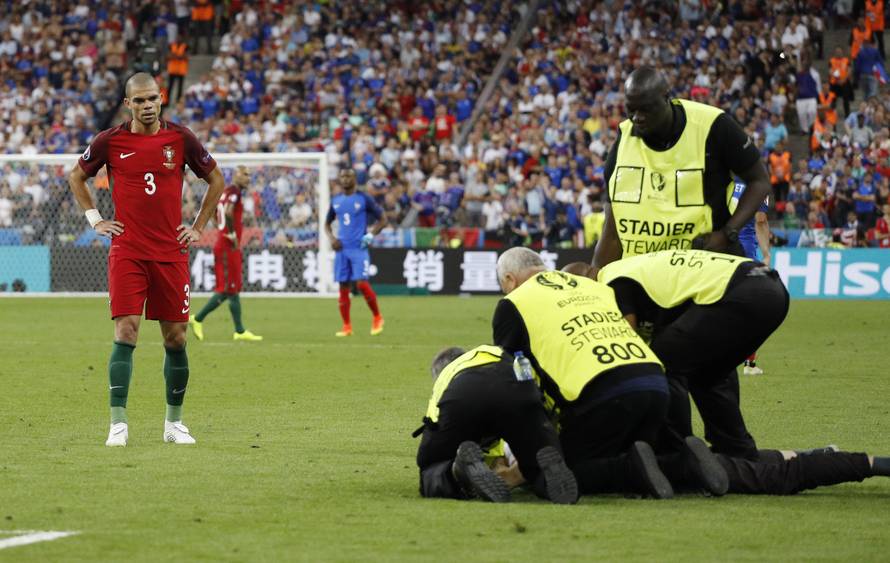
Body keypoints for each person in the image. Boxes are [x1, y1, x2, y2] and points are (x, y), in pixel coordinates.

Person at [492, 247, 728, 498]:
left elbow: (516, 382)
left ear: (509, 279)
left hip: (602, 394)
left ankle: (631, 469)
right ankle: (685, 465)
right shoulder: (591, 286)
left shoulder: (513, 304)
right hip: (655, 384)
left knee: (553, 474)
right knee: (624, 452)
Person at [67, 72, 225, 447]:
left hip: (171, 253)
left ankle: (174, 424)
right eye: (139, 100)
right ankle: (118, 423)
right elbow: (76, 176)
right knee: (126, 331)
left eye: (153, 98)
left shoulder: (181, 138)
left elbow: (216, 179)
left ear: (161, 98)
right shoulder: (110, 141)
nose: (148, 105)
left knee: (176, 337)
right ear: (128, 104)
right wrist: (96, 220)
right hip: (128, 251)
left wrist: (199, 225)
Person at [575, 249, 788, 461]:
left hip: (740, 291)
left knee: (661, 364)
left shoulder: (611, 282)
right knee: (709, 375)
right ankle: (737, 450)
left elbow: (628, 349)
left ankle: (678, 454)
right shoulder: (634, 272)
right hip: (771, 290)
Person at [593, 66, 772, 266]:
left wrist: (727, 233)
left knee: (769, 293)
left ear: (666, 97)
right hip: (641, 273)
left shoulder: (713, 125)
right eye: (631, 109)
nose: (637, 117)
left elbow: (760, 180)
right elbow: (611, 232)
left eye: (646, 109)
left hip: (702, 265)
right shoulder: (623, 142)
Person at [414, 345, 578, 504]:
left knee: (432, 468)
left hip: (463, 394)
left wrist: (431, 459)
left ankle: (457, 473)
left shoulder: (447, 377)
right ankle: (544, 478)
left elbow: (433, 422)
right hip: (517, 387)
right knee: (537, 459)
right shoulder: (493, 352)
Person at [189, 165, 263, 342]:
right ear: (236, 176)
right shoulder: (235, 192)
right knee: (226, 289)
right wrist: (229, 233)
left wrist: (220, 228)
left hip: (224, 244)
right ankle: (197, 318)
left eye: (249, 175)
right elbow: (228, 212)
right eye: (244, 174)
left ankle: (239, 330)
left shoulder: (225, 192)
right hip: (227, 246)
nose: (248, 178)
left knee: (234, 288)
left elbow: (216, 212)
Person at [324, 168, 385, 337]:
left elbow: (383, 219)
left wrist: (371, 235)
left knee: (361, 283)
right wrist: (332, 239)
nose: (345, 179)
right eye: (342, 176)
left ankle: (378, 317)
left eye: (348, 176)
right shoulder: (336, 200)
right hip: (342, 249)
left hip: (359, 248)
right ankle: (346, 326)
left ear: (354, 179)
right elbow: (326, 224)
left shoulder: (363, 198)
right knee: (343, 286)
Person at [730, 182, 771, 376]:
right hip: (745, 253)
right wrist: (766, 254)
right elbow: (761, 219)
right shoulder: (758, 184)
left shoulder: (724, 181)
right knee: (753, 309)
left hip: (719, 249)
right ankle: (750, 364)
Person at [166, 37, 188, 103]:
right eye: (178, 37)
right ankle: (167, 101)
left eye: (180, 37)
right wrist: (176, 56)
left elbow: (186, 56)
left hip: (181, 70)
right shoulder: (171, 46)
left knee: (180, 87)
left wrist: (177, 56)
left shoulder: (186, 46)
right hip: (172, 70)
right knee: (170, 87)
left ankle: (178, 101)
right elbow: (168, 56)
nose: (179, 39)